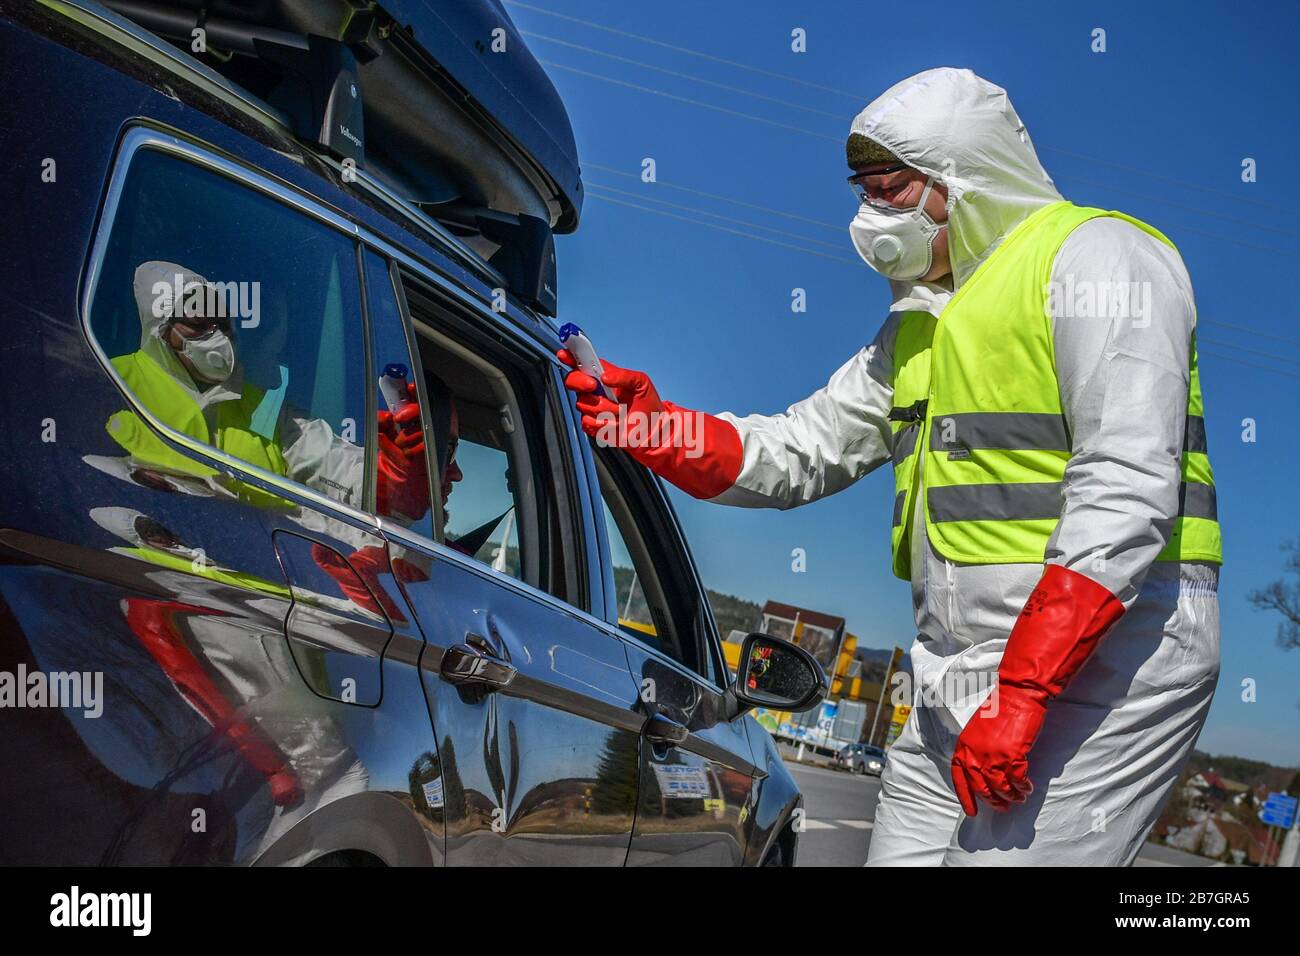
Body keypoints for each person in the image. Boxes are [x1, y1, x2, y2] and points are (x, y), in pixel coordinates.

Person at [561, 67, 1221, 866]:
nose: (871, 215)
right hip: (956, 664)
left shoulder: (1100, 258)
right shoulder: (920, 321)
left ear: (964, 183)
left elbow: (1125, 494)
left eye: (892, 190)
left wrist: (1024, 692)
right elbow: (797, 449)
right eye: (863, 191)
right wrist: (651, 426)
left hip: (1104, 660)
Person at [107, 260, 428, 520]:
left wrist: (390, 474)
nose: (218, 336)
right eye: (199, 324)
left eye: (224, 324)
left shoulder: (266, 411)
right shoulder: (111, 380)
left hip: (248, 594)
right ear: (160, 331)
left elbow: (335, 467)